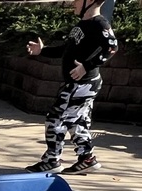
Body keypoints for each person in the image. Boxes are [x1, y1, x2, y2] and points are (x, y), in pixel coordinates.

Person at [23, 0, 117, 176]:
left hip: (83, 84)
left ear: (88, 1)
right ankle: (87, 159)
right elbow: (66, 49)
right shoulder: (83, 24)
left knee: (55, 118)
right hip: (80, 84)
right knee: (77, 121)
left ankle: (52, 160)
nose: (73, 3)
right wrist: (42, 51)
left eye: (77, 0)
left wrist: (85, 66)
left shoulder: (99, 24)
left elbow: (112, 47)